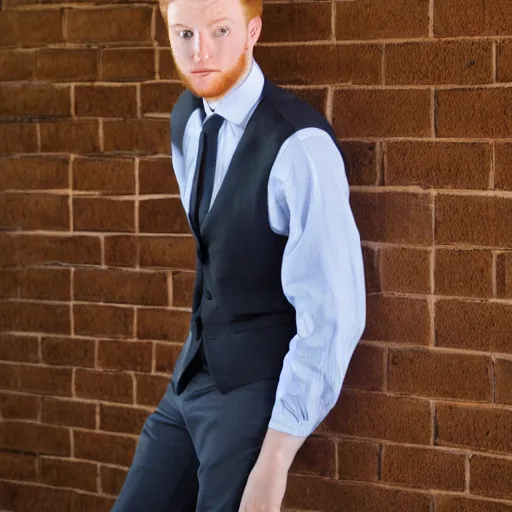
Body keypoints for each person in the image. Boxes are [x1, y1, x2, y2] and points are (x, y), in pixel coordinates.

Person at [111, 0, 366, 510]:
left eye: (219, 30)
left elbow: (334, 315)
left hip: (252, 395)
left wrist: (274, 460)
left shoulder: (300, 147)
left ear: (252, 31)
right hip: (189, 379)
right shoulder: (186, 119)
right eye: (182, 33)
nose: (199, 51)